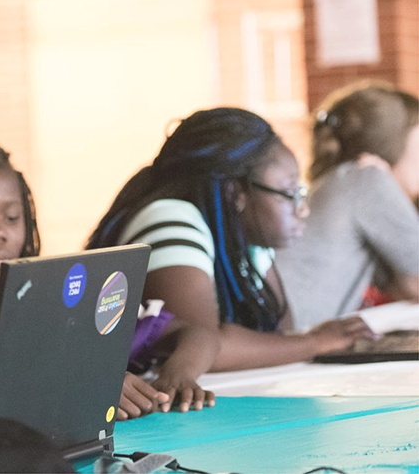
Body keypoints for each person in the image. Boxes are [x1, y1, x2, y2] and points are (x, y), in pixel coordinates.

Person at [0, 134, 217, 419]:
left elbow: (194, 332)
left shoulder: (49, 294)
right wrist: (78, 390)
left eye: (11, 218)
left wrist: (177, 376)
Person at [85, 107, 374, 371]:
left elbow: (278, 331)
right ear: (236, 194)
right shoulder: (169, 219)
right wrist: (316, 342)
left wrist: (307, 341)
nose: (303, 208)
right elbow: (204, 349)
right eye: (289, 193)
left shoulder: (243, 238)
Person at [275, 82, 419, 329]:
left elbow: (406, 287)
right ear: (394, 144)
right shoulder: (367, 179)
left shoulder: (339, 181)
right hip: (287, 346)